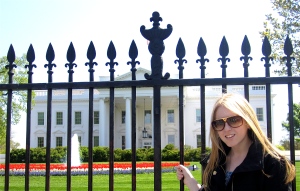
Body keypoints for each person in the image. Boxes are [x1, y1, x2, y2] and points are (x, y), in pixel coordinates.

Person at [176, 93, 295, 191]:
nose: (226, 128)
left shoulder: (273, 164)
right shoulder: (216, 162)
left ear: (248, 121)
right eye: (219, 123)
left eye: (234, 120)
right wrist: (191, 182)